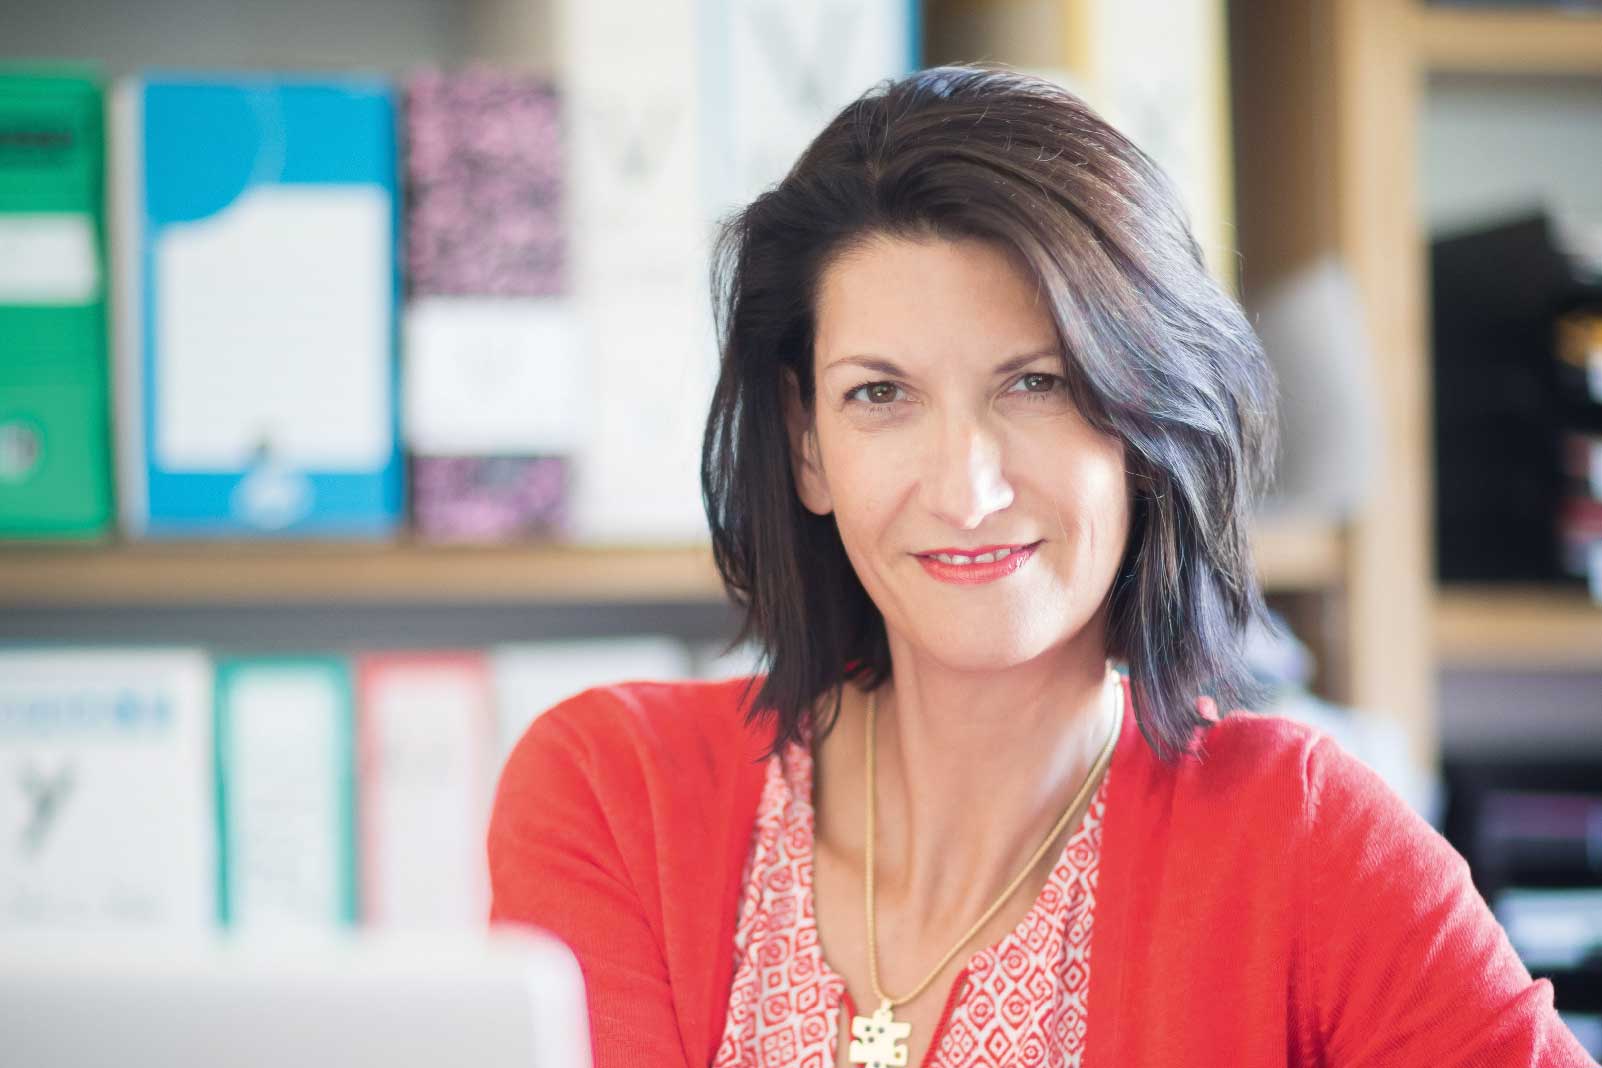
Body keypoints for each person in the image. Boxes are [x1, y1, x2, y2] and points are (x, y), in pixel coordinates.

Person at [487, 65, 1597, 1068]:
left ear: (1146, 426)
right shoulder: (614, 794)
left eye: (1038, 384)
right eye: (881, 394)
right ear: (807, 444)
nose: (965, 490)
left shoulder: (1307, 839)